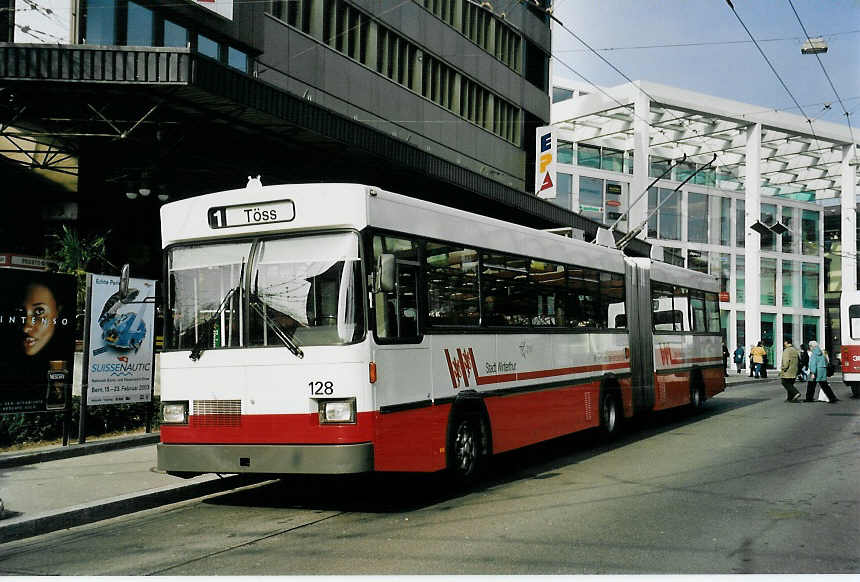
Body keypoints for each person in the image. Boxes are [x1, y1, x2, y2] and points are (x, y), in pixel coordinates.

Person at [779, 338, 801, 402]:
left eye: (784, 342)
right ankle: (790, 398)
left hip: (787, 371)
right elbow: (799, 360)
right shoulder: (795, 350)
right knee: (790, 383)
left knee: (785, 383)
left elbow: (786, 361)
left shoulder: (786, 350)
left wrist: (783, 368)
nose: (784, 343)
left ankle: (796, 393)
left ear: (786, 342)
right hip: (794, 370)